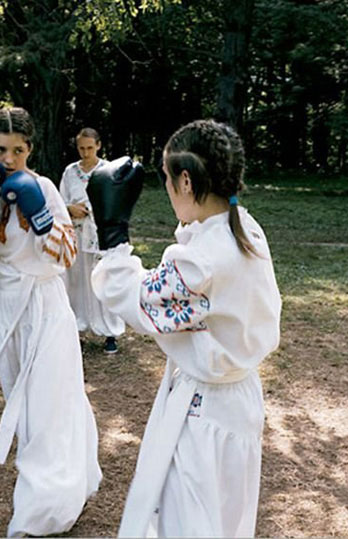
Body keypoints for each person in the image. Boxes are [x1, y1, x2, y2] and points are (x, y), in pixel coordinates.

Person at [89, 119, 282, 537]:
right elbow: (195, 250)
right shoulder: (245, 229)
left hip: (204, 412)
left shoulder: (201, 262)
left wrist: (113, 236)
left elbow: (138, 300)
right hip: (239, 402)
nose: (166, 188)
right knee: (224, 523)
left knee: (186, 526)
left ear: (187, 181)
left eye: (167, 178)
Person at [0, 107, 102, 537]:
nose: (9, 159)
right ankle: (58, 490)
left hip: (46, 305)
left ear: (29, 149)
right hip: (7, 309)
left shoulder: (45, 187)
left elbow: (67, 256)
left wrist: (40, 218)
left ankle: (43, 510)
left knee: (51, 404)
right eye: (1, 150)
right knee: (26, 412)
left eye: (18, 150)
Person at [59, 128, 125, 354]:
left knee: (102, 279)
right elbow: (60, 201)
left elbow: (117, 202)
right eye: (81, 148)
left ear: (98, 145)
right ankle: (76, 326)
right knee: (76, 279)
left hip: (101, 234)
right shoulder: (70, 171)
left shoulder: (109, 170)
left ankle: (109, 330)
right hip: (77, 233)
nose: (86, 153)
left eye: (89, 148)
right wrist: (70, 208)